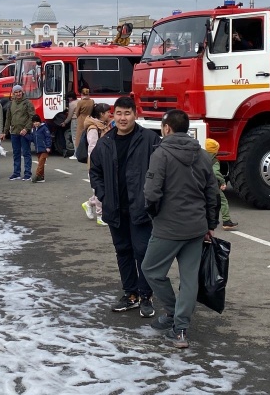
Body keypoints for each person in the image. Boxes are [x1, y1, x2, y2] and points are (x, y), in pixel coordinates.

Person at [141, 109, 220, 349]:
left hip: (168, 226)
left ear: (166, 128)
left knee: (151, 269)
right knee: (189, 279)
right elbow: (212, 193)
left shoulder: (161, 154)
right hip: (196, 227)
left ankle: (172, 312)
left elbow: (152, 192)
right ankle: (180, 329)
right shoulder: (204, 155)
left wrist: (154, 213)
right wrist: (210, 224)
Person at [89, 96, 161, 317]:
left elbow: (161, 171)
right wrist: (103, 195)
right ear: (113, 115)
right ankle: (130, 294)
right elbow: (95, 172)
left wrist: (152, 199)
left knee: (143, 252)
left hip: (141, 208)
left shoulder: (149, 139)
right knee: (123, 251)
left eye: (127, 113)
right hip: (115, 208)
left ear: (135, 115)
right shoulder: (106, 142)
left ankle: (146, 294)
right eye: (119, 113)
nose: (122, 118)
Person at [81, 103, 113, 225]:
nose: (109, 114)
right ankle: (100, 216)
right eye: (107, 112)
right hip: (97, 165)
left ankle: (89, 204)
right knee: (100, 189)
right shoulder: (93, 128)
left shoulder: (104, 126)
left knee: (104, 189)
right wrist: (97, 163)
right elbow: (92, 148)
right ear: (101, 114)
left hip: (106, 162)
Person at [205, 138, 238, 230]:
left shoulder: (201, 157)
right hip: (213, 185)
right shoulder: (214, 161)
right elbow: (215, 173)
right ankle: (226, 221)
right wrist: (223, 181)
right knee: (223, 201)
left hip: (202, 183)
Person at [6, 85, 36, 181]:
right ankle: (16, 173)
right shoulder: (11, 104)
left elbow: (32, 117)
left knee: (26, 153)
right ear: (13, 93)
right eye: (16, 92)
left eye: (19, 92)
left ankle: (27, 173)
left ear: (22, 92)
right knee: (16, 153)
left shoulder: (27, 103)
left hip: (24, 133)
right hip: (14, 132)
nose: (18, 94)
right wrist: (4, 131)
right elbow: (8, 119)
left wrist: (26, 129)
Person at [29, 114, 51, 183]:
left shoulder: (44, 128)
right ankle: (41, 177)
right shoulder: (34, 129)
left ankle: (37, 175)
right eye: (34, 122)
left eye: (37, 121)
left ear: (40, 121)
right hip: (38, 149)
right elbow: (32, 138)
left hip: (44, 149)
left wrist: (48, 146)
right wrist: (25, 136)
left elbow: (48, 138)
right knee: (41, 163)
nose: (36, 123)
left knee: (41, 163)